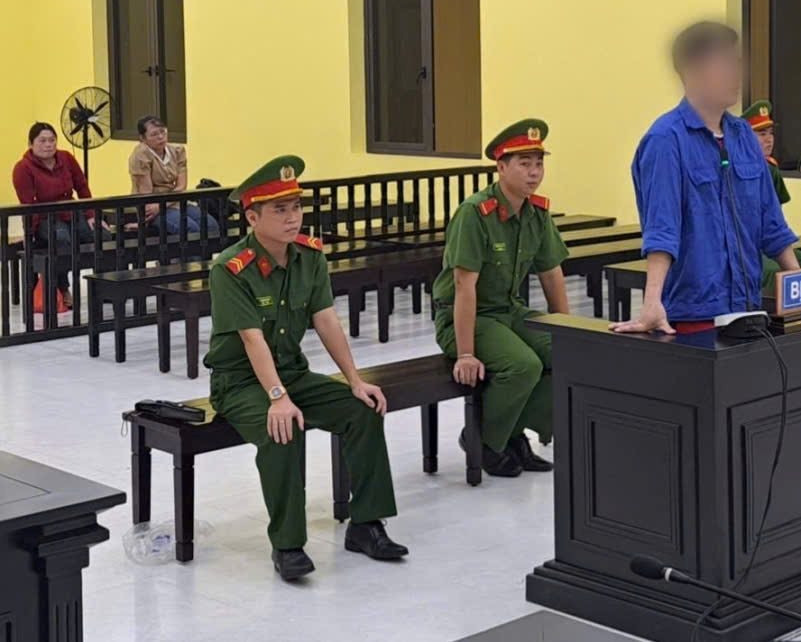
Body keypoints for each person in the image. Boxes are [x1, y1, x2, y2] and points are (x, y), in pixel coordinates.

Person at [204, 155, 406, 582]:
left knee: (363, 409)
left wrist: (355, 380)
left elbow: (326, 319)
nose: (292, 217)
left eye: (296, 207)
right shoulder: (230, 268)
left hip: (291, 372)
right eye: (280, 209)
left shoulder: (309, 256)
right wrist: (277, 398)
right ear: (252, 217)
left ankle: (366, 525)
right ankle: (288, 544)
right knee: (282, 430)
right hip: (239, 383)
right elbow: (252, 339)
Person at [612, 22, 800, 335]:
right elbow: (662, 229)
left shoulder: (743, 135)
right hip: (694, 315)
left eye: (736, 64)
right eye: (724, 64)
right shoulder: (665, 141)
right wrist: (652, 301)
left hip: (748, 307)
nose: (736, 74)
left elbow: (771, 222)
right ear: (693, 71)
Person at [433, 119, 569, 478]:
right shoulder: (474, 214)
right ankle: (485, 441)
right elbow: (463, 286)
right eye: (524, 164)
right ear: (501, 167)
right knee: (523, 365)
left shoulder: (536, 212)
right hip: (466, 316)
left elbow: (551, 273)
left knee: (566, 355)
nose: (534, 172)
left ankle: (513, 432)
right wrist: (465, 353)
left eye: (538, 163)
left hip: (508, 311)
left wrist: (569, 330)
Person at [11, 121, 100, 313]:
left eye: (52, 140)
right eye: (42, 141)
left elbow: (82, 186)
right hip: (45, 218)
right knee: (61, 239)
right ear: (31, 144)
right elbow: (28, 204)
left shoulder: (66, 158)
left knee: (101, 235)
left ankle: (105, 286)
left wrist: (91, 215)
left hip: (72, 212)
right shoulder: (23, 168)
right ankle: (63, 288)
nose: (48, 145)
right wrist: (29, 233)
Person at [742, 99, 801, 291]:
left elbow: (776, 214)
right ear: (745, 136)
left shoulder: (770, 169)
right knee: (774, 274)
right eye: (761, 134)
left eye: (771, 133)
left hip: (767, 242)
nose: (769, 139)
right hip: (744, 244)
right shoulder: (735, 170)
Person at [129, 115, 220, 238]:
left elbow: (181, 186)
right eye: (154, 134)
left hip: (174, 200)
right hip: (152, 207)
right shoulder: (141, 155)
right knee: (190, 229)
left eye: (163, 131)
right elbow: (147, 194)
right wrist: (157, 208)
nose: (160, 137)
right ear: (142, 138)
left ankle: (208, 251)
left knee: (211, 225)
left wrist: (165, 203)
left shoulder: (177, 150)